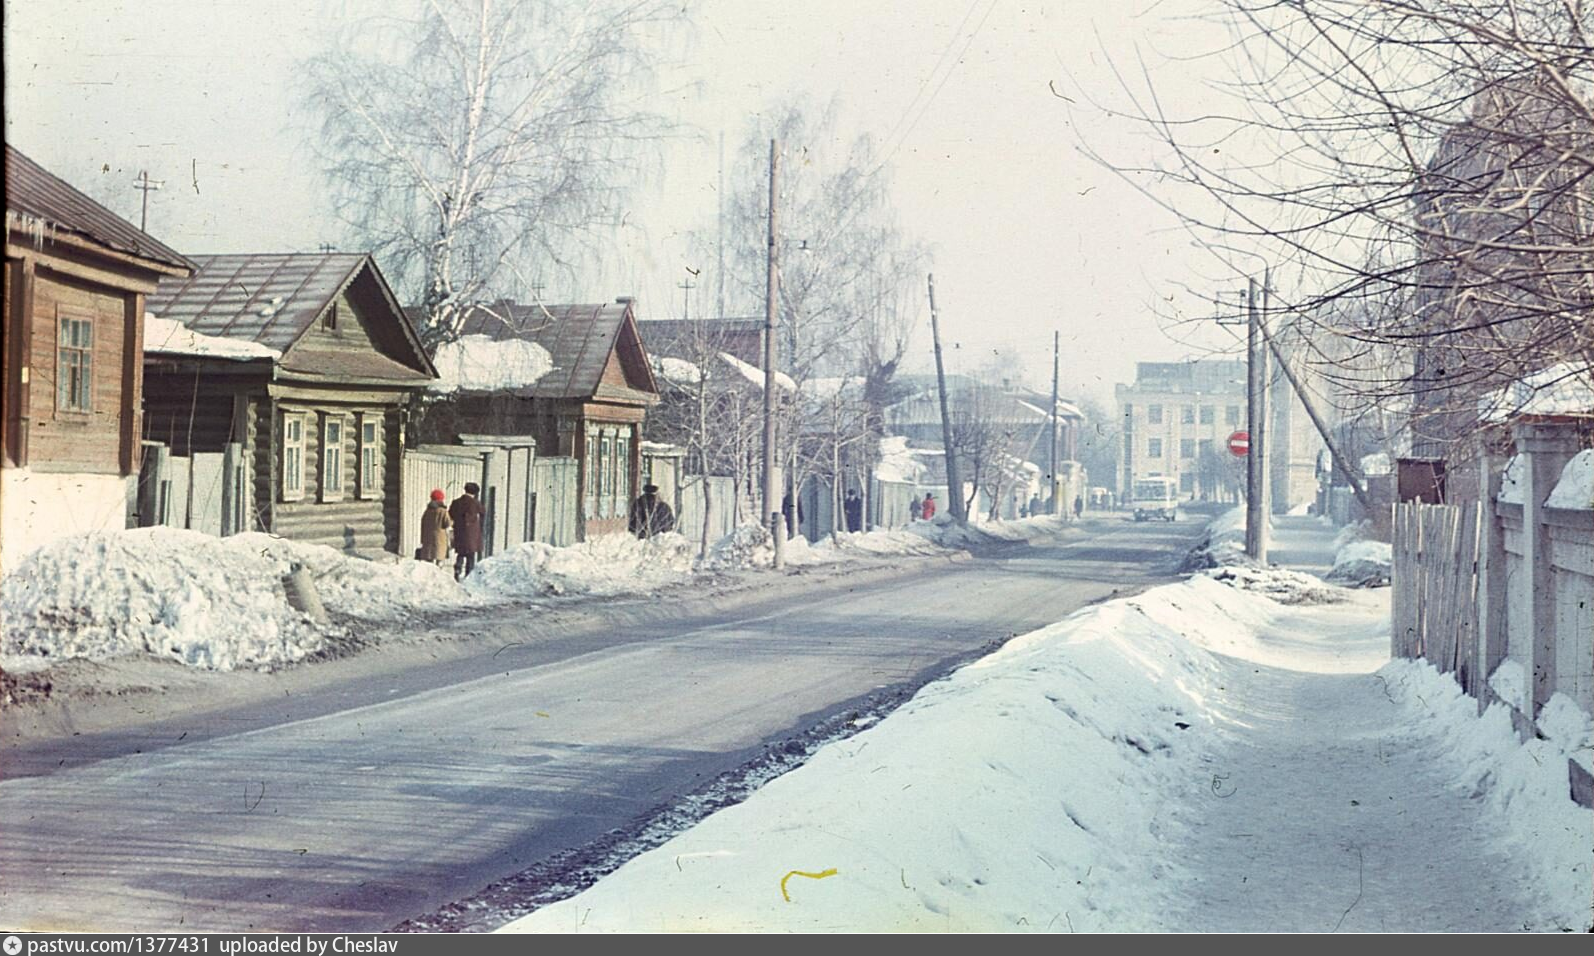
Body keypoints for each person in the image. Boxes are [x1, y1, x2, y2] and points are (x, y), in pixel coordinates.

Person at [450, 482, 486, 580]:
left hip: (459, 532)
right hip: (472, 534)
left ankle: (457, 569)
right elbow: (483, 512)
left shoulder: (456, 502)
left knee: (460, 553)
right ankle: (468, 575)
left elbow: (451, 514)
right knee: (470, 556)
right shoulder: (475, 503)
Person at [418, 489, 451, 565]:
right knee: (439, 558)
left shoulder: (427, 511)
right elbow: (448, 523)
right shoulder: (443, 511)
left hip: (428, 538)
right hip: (440, 538)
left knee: (429, 560)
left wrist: (422, 539)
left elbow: (423, 524)